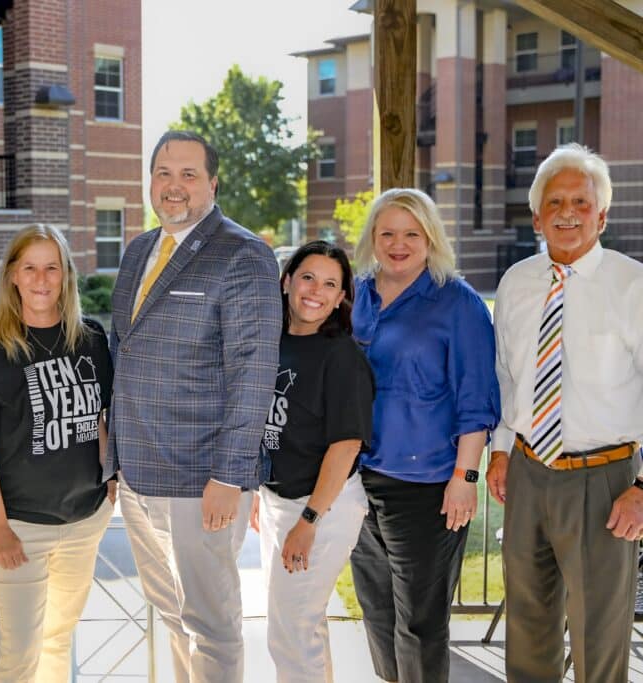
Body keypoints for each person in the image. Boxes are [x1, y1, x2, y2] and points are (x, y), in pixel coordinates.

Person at [106, 130, 281, 682]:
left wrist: (230, 476)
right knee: (172, 616)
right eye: (163, 173)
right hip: (137, 476)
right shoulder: (138, 251)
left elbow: (254, 375)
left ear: (212, 182)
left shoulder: (244, 254)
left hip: (201, 479)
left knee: (211, 623)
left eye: (187, 174)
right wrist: (114, 464)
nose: (173, 186)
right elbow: (123, 350)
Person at [487, 143, 643, 683]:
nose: (567, 213)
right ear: (537, 216)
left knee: (599, 635)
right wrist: (502, 452)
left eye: (580, 201)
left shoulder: (633, 285)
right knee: (528, 629)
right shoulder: (516, 283)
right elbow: (509, 378)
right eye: (554, 202)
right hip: (528, 472)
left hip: (606, 481)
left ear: (602, 214)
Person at [0, 224, 114, 682]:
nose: (41, 280)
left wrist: (110, 481)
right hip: (19, 527)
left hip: (84, 521)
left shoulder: (92, 339)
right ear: (13, 276)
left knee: (58, 639)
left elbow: (101, 418)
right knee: (20, 652)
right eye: (30, 268)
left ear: (66, 276)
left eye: (52, 268)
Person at [350, 188, 500, 683]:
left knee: (419, 620)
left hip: (428, 485)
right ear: (372, 236)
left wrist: (466, 476)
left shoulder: (457, 303)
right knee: (377, 613)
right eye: (387, 232)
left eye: (411, 233)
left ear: (430, 237)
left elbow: (476, 399)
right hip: (355, 481)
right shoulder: (356, 295)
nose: (398, 243)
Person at [250, 240, 374, 683]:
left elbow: (345, 447)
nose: (315, 291)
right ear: (286, 282)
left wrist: (308, 520)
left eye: (330, 284)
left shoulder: (341, 356)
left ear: (341, 297)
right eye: (307, 277)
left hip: (323, 505)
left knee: (291, 631)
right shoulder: (275, 342)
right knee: (297, 624)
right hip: (279, 501)